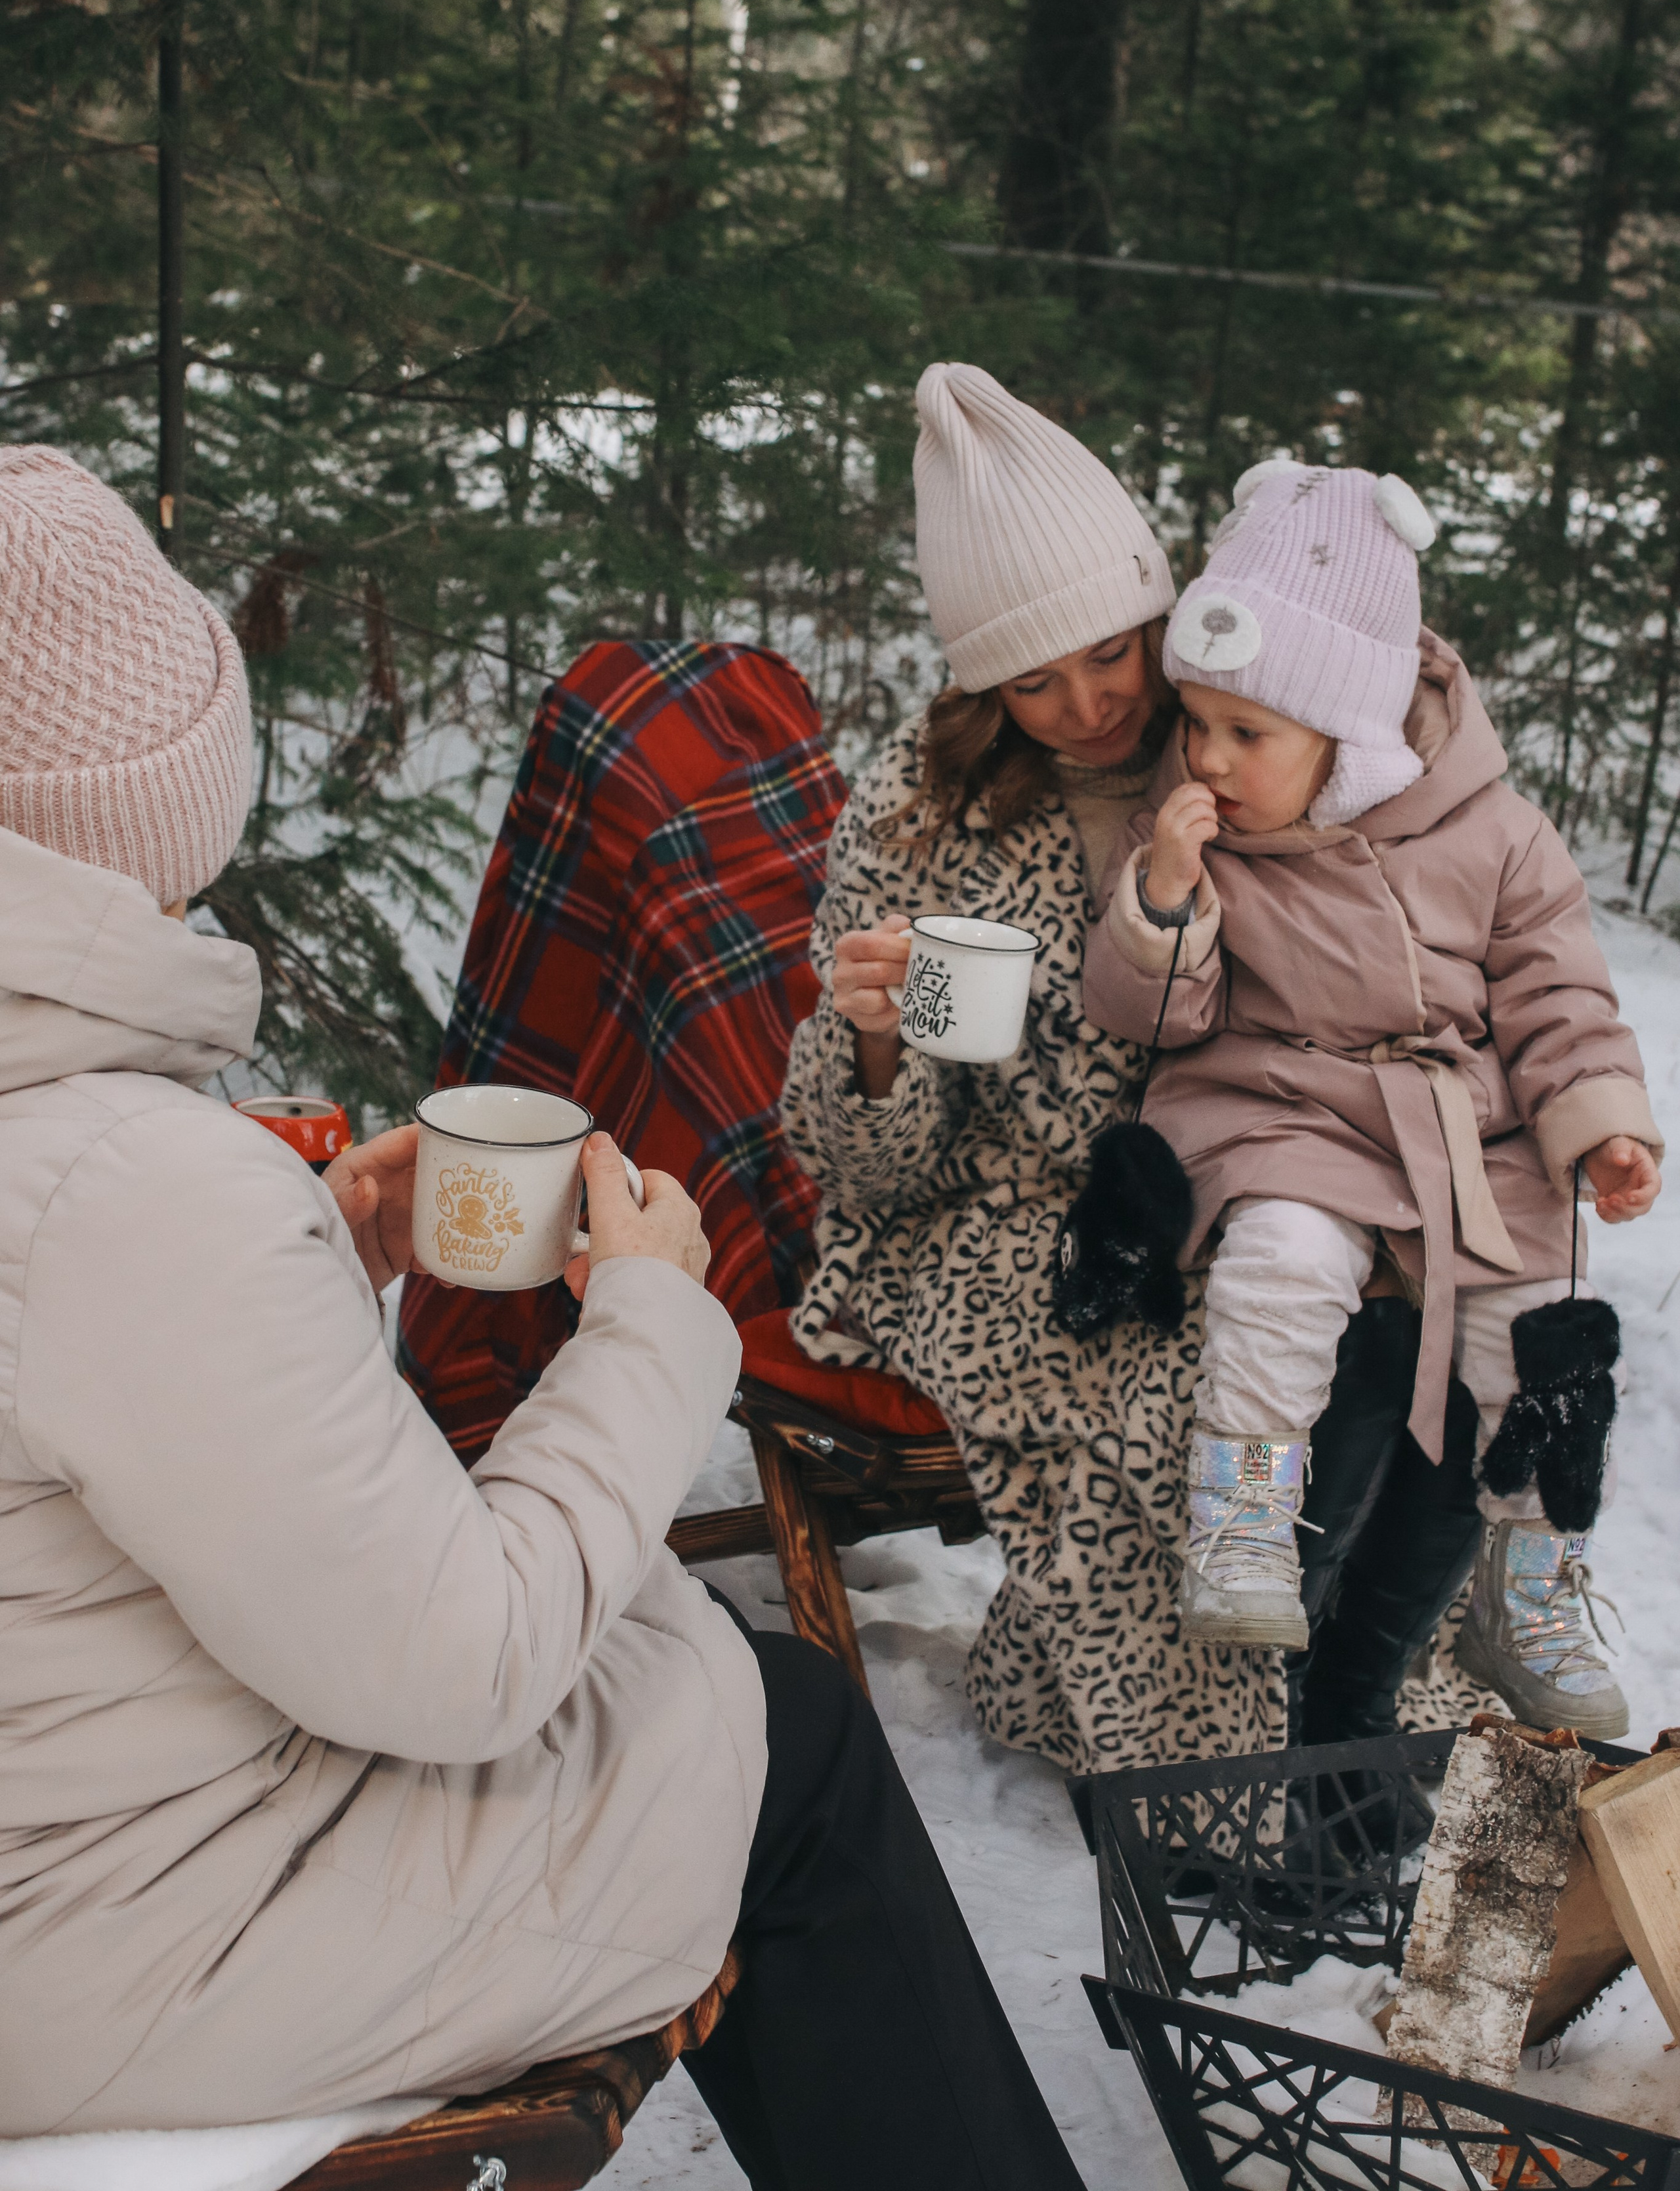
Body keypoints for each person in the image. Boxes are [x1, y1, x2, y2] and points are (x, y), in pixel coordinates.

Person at [0, 446, 1087, 2190]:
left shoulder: (101, 1173)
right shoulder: (122, 1189)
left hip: (69, 1851)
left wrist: (303, 1242)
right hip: (113, 1948)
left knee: (736, 1698)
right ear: (151, 810)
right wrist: (655, 1320)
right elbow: (466, 1662)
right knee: (782, 1741)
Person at [1082, 457, 1662, 1740]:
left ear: (1345, 735)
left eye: (1248, 735)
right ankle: (1239, 1518)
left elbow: (1555, 990)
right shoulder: (1194, 835)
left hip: (1456, 1131)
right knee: (1279, 1267)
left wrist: (1599, 1123)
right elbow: (1153, 1013)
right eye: (1198, 723)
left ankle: (1533, 1580)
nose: (1210, 760)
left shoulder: (1492, 832)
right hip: (1278, 1111)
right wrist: (1165, 897)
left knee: (1548, 1334)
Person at [780, 362, 1291, 1775]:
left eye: (1108, 655)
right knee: (1153, 1385)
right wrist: (877, 1034)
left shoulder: (1244, 752)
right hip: (976, 1223)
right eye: (1031, 679)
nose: (1082, 704)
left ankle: (1353, 1734)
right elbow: (887, 1171)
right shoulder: (927, 814)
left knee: (1311, 1369)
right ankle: (1210, 1795)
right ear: (979, 683)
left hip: (1219, 1180)